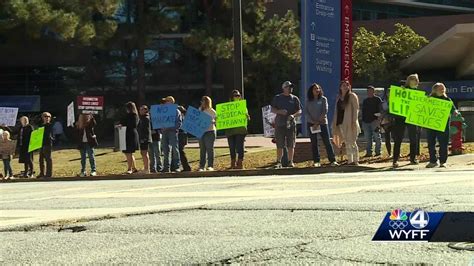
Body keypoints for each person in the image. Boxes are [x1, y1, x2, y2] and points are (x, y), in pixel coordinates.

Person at [305, 83, 338, 167]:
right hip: (312, 124)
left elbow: (325, 111)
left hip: (322, 123)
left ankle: (332, 160)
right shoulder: (308, 101)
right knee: (314, 143)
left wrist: (318, 122)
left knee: (327, 141)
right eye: (315, 89)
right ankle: (316, 161)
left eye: (318, 88)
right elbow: (307, 113)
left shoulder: (323, 99)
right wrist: (313, 122)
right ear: (311, 91)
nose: (317, 90)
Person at [392, 74, 422, 167]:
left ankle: (413, 159)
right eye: (413, 79)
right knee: (398, 139)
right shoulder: (402, 90)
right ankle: (395, 160)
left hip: (412, 118)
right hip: (401, 118)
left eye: (417, 80)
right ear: (409, 80)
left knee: (413, 139)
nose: (416, 81)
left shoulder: (417, 93)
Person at [271, 81, 302, 168]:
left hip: (291, 124)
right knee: (279, 144)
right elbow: (272, 109)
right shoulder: (278, 98)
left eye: (291, 87)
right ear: (284, 88)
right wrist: (279, 111)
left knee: (291, 144)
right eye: (288, 87)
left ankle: (290, 161)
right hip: (280, 124)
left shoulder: (295, 98)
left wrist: (293, 115)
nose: (290, 88)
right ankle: (278, 162)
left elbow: (300, 110)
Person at [331, 80, 361, 166]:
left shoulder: (352, 96)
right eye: (343, 85)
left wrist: (354, 121)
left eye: (347, 85)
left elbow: (356, 110)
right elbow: (336, 111)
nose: (345, 87)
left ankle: (356, 160)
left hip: (350, 122)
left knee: (352, 141)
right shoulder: (339, 97)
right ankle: (350, 160)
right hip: (340, 122)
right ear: (340, 87)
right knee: (347, 142)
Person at [426, 83, 454, 168]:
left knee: (443, 144)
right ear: (435, 90)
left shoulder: (447, 100)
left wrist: (455, 112)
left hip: (443, 126)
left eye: (443, 88)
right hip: (431, 125)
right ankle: (433, 161)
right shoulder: (429, 99)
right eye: (440, 89)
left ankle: (443, 161)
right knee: (431, 143)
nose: (442, 90)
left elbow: (453, 109)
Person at [225, 90, 249, 169]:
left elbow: (247, 117)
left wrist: (247, 116)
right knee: (231, 147)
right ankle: (232, 162)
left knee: (240, 147)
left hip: (240, 130)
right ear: (232, 97)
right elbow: (224, 117)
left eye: (238, 95)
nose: (237, 97)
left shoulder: (242, 106)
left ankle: (240, 162)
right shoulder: (227, 107)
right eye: (235, 95)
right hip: (230, 131)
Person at [161, 96, 182, 173]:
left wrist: (170, 127)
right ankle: (166, 167)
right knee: (165, 150)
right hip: (164, 132)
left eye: (167, 101)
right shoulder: (162, 111)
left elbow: (179, 123)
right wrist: (161, 128)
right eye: (166, 101)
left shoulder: (176, 111)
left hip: (172, 132)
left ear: (171, 102)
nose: (166, 102)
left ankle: (177, 166)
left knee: (174, 149)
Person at [118, 102, 140, 174]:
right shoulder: (127, 115)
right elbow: (122, 122)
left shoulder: (134, 115)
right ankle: (133, 168)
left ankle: (129, 168)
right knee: (128, 153)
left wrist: (123, 125)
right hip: (126, 134)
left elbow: (133, 125)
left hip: (131, 135)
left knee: (129, 152)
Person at [361, 86, 383, 157]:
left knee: (377, 137)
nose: (369, 92)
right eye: (368, 91)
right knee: (368, 138)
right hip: (366, 121)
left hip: (374, 121)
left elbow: (381, 110)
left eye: (371, 91)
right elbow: (363, 111)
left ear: (374, 92)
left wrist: (379, 120)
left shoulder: (377, 99)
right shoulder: (365, 101)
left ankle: (378, 152)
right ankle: (369, 152)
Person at [199, 96, 217, 171]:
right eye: (202, 101)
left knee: (209, 149)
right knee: (202, 149)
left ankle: (210, 166)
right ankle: (202, 166)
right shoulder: (200, 109)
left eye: (203, 101)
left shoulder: (212, 111)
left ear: (207, 102)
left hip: (210, 131)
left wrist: (212, 121)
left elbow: (216, 121)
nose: (202, 102)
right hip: (201, 132)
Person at [38, 112, 54, 178]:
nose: (47, 118)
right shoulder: (41, 126)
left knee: (48, 159)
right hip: (41, 144)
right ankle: (42, 173)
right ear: (42, 118)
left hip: (47, 144)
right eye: (45, 116)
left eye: (49, 117)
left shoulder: (50, 125)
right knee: (41, 159)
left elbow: (50, 134)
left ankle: (48, 174)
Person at [138, 105, 152, 174]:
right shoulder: (142, 118)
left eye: (142, 109)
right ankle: (145, 167)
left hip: (145, 138)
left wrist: (144, 138)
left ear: (145, 110)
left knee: (144, 153)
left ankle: (147, 169)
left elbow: (146, 130)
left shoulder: (146, 118)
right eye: (140, 109)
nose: (140, 111)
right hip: (142, 138)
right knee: (142, 153)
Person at [178, 106, 191, 172]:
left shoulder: (182, 117)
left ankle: (186, 167)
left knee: (180, 151)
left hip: (181, 135)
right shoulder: (184, 117)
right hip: (183, 135)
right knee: (180, 151)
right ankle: (185, 166)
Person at [380, 88, 393, 157]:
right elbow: (381, 111)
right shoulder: (383, 102)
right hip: (386, 122)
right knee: (387, 138)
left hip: (393, 121)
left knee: (395, 137)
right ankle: (389, 153)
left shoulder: (395, 101)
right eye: (388, 93)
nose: (389, 94)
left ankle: (396, 152)